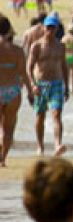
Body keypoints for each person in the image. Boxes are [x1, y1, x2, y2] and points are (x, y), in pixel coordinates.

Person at [26, 14, 68, 157]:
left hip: (56, 83)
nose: (50, 30)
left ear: (56, 29)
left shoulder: (61, 46)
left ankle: (57, 144)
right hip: (41, 84)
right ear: (44, 27)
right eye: (48, 27)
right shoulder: (36, 46)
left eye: (53, 27)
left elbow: (64, 66)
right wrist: (32, 85)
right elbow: (29, 67)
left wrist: (67, 86)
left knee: (57, 114)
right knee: (40, 115)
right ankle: (40, 146)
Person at [0, 16, 34, 167]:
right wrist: (31, 92)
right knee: (9, 127)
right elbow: (23, 73)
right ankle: (3, 159)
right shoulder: (18, 50)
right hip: (13, 91)